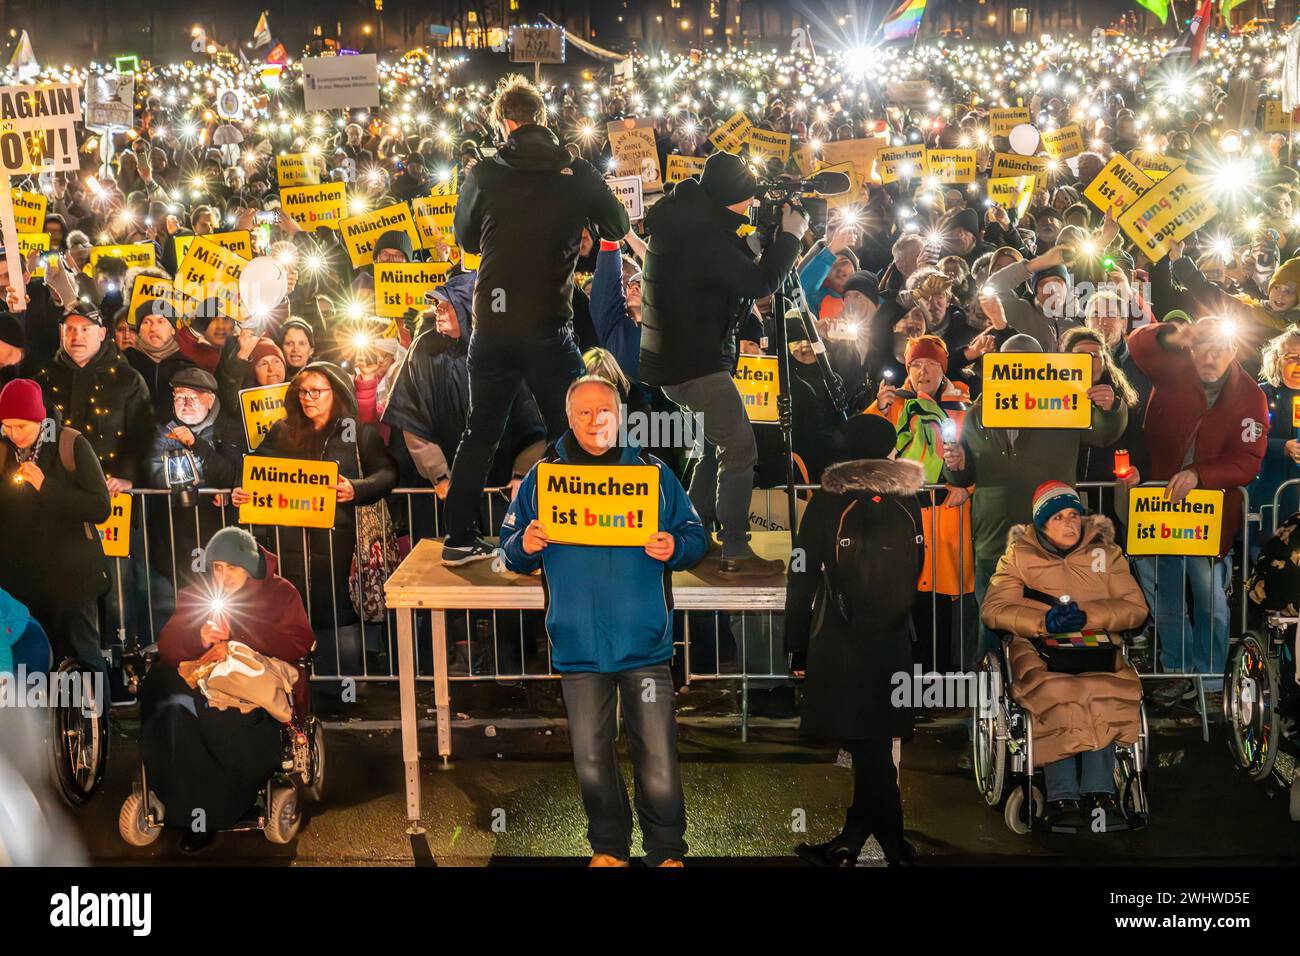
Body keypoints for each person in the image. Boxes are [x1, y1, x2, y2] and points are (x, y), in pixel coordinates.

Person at [499, 376, 709, 866]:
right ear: (570, 419)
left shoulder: (654, 474)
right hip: (579, 647)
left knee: (657, 759)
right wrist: (523, 547)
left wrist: (676, 546)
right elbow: (507, 552)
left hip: (646, 646)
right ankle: (609, 848)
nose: (597, 420)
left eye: (605, 410)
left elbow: (697, 535)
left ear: (621, 415)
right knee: (591, 760)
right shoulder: (542, 478)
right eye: (585, 413)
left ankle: (665, 851)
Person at [441, 75, 630, 565]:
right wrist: (577, 217)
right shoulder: (578, 171)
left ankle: (459, 539)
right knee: (572, 429)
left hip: (494, 324)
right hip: (549, 326)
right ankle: (588, 526)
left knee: (479, 432)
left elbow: (465, 240)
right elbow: (620, 225)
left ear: (505, 123)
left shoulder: (484, 172)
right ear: (543, 119)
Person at [638, 149, 808, 574]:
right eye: (747, 199)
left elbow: (721, 267)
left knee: (715, 446)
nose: (752, 206)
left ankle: (693, 533)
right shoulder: (703, 234)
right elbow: (759, 282)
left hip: (675, 362)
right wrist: (789, 237)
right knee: (739, 448)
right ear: (730, 198)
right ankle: (735, 547)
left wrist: (754, 242)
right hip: (694, 363)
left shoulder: (686, 218)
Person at [785, 414, 925, 866]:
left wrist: (796, 643)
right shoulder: (908, 500)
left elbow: (802, 572)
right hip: (892, 634)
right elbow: (917, 565)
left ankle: (892, 842)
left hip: (841, 638)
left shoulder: (828, 500)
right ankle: (856, 834)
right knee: (874, 742)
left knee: (868, 746)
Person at [943, 334, 1127, 655]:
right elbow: (965, 470)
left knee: (1049, 620)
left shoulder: (1065, 404)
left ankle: (1044, 693)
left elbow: (1103, 433)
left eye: (1029, 363)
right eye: (1012, 363)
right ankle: (991, 696)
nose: (1020, 369)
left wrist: (1110, 408)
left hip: (1048, 537)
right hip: (993, 535)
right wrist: (955, 467)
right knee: (993, 618)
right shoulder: (979, 411)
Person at [980, 481, 1148, 830]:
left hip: (1097, 646)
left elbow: (1135, 608)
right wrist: (1042, 621)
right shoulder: (1018, 556)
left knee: (1104, 690)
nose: (1070, 524)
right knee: (1059, 693)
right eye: (1058, 517)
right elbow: (995, 608)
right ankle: (1062, 793)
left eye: (1074, 515)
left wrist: (1089, 617)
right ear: (1041, 523)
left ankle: (1099, 792)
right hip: (1037, 647)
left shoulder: (1106, 553)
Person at [140, 526, 314, 852]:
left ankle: (214, 811)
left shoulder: (281, 593)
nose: (223, 576)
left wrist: (242, 633)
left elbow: (299, 642)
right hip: (203, 679)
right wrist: (200, 637)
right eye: (217, 567)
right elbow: (169, 644)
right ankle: (186, 807)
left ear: (249, 566)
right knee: (163, 696)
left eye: (231, 568)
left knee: (222, 722)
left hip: (249, 687)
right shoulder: (200, 594)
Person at [1124, 316, 1269, 705]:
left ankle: (1208, 681)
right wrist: (1173, 332)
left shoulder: (1249, 395)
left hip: (1211, 515)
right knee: (1166, 597)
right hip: (1158, 509)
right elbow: (1137, 343)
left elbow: (1248, 461)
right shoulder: (1174, 370)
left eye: (1219, 348)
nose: (1210, 356)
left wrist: (1199, 473)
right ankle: (1176, 671)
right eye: (1202, 347)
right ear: (1192, 348)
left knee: (1212, 604)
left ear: (1233, 351)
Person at [231, 362, 397, 676]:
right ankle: (305, 691)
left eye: (317, 391)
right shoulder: (282, 431)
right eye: (303, 391)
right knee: (297, 611)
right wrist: (241, 491)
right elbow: (256, 469)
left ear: (336, 393)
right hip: (292, 542)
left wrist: (356, 489)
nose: (308, 398)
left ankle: (344, 689)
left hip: (342, 543)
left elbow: (387, 473)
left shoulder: (358, 432)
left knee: (338, 612)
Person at [0, 378, 112, 679]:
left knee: (83, 659)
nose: (13, 434)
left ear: (39, 419)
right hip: (21, 584)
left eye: (20, 426)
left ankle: (94, 722)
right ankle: (35, 726)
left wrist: (44, 487)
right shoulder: (3, 452)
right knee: (27, 661)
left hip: (70, 582)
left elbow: (100, 507)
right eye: (6, 426)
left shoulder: (70, 444)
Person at [36, 305, 154, 497]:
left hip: (111, 493)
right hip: (55, 492)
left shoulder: (128, 380)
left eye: (85, 329)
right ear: (62, 333)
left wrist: (127, 476)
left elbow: (142, 436)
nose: (77, 336)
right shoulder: (43, 382)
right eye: (70, 329)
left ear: (101, 333)